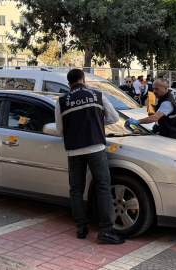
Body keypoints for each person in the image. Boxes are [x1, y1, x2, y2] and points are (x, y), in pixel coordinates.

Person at [55, 69, 125, 245]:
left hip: (74, 151)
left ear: (69, 84)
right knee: (102, 187)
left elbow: (60, 130)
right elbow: (114, 118)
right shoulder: (97, 95)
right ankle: (106, 231)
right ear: (84, 80)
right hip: (96, 147)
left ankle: (81, 228)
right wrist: (96, 120)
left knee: (76, 189)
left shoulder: (62, 101)